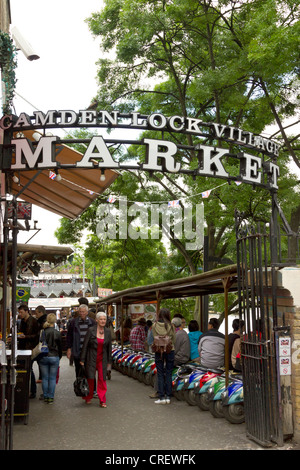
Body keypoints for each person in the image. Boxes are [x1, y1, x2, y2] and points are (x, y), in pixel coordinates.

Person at [80, 311, 112, 407]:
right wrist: (82, 359)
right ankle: (88, 397)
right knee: (90, 378)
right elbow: (85, 345)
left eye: (104, 319)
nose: (103, 321)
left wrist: (109, 362)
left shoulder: (108, 331)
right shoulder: (91, 330)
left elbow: (109, 347)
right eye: (101, 319)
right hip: (91, 358)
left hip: (103, 359)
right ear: (97, 320)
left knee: (102, 379)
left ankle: (102, 400)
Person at [152, 308, 176, 404]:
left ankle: (161, 397)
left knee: (160, 373)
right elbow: (174, 339)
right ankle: (168, 397)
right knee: (169, 373)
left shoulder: (154, 325)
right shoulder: (171, 326)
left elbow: (154, 338)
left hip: (159, 351)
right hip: (170, 350)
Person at [66, 303, 96, 377]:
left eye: (83, 312)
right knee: (79, 371)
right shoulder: (73, 322)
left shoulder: (92, 322)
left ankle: (91, 388)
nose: (81, 313)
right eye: (80, 312)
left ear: (87, 312)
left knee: (90, 372)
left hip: (89, 351)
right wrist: (69, 349)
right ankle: (79, 387)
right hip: (78, 350)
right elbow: (69, 336)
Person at [39, 313, 62, 404]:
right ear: (55, 321)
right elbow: (60, 347)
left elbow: (39, 343)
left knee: (45, 378)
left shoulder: (43, 332)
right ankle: (51, 397)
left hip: (43, 356)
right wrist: (59, 356)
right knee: (52, 378)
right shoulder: (57, 333)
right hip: (54, 356)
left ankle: (45, 396)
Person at [18, 304, 39, 398]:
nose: (20, 314)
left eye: (21, 312)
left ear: (26, 311)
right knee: (26, 369)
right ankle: (25, 389)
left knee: (29, 369)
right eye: (19, 312)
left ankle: (32, 391)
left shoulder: (33, 321)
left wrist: (25, 336)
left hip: (30, 348)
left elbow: (36, 336)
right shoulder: (22, 321)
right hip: (22, 348)